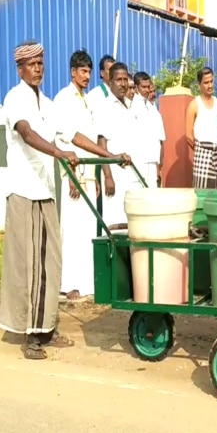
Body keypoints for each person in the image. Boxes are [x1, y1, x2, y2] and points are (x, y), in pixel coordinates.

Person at [0, 41, 129, 360]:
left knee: (50, 262)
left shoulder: (47, 102)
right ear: (20, 69)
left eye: (41, 63)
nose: (38, 69)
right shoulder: (15, 99)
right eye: (32, 64)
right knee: (28, 265)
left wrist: (110, 157)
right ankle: (29, 335)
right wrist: (60, 153)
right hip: (23, 191)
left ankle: (47, 327)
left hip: (45, 191)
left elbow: (73, 136)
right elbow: (28, 135)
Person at [53, 50, 107, 301]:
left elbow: (92, 134)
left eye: (89, 72)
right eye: (83, 71)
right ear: (72, 72)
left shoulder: (86, 100)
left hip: (88, 173)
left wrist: (95, 176)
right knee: (72, 231)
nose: (87, 76)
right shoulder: (63, 99)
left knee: (87, 230)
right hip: (73, 172)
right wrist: (72, 174)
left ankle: (85, 283)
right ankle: (68, 284)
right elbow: (70, 137)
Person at [96, 62, 145, 227]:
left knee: (134, 224)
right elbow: (101, 143)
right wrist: (108, 176)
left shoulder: (131, 105)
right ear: (110, 82)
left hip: (134, 176)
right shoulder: (104, 107)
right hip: (116, 177)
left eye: (125, 79)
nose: (123, 83)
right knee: (116, 224)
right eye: (119, 79)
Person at [185, 67, 217, 189]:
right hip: (202, 154)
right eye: (206, 82)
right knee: (203, 195)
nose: (210, 85)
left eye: (211, 81)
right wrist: (202, 149)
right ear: (199, 85)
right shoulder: (194, 105)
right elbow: (188, 136)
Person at [131, 71, 166, 188]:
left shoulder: (152, 109)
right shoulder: (131, 106)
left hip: (152, 162)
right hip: (137, 161)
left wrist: (158, 166)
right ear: (136, 87)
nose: (146, 90)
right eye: (143, 87)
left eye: (148, 87)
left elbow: (160, 140)